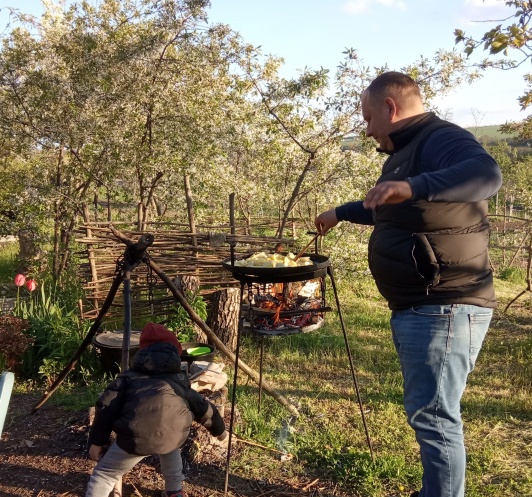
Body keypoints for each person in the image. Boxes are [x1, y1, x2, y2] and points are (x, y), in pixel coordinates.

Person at [315, 72, 502, 497]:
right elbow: (391, 207)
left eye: (367, 118)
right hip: (422, 305)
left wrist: (413, 184)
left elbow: (487, 175)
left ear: (390, 108)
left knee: (435, 416)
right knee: (428, 412)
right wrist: (342, 212)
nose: (367, 129)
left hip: (446, 303)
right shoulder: (404, 152)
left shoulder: (439, 138)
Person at [85, 322, 227, 497]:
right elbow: (203, 407)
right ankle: (174, 491)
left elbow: (105, 408)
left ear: (141, 353)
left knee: (104, 475)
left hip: (135, 439)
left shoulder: (127, 378)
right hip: (173, 435)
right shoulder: (179, 381)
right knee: (169, 441)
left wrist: (97, 442)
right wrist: (220, 431)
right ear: (176, 353)